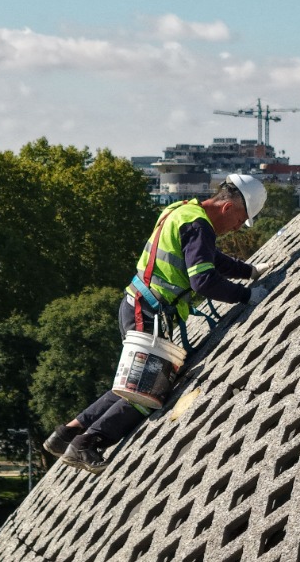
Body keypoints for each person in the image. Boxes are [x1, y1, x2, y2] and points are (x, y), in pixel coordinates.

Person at [43, 173, 271, 473]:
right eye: (241, 221)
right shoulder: (199, 224)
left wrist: (248, 270)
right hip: (149, 312)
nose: (237, 229)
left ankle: (65, 435)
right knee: (149, 391)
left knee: (133, 382)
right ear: (228, 208)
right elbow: (203, 280)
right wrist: (246, 296)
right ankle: (88, 443)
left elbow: (208, 257)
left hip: (137, 304)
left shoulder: (181, 210)